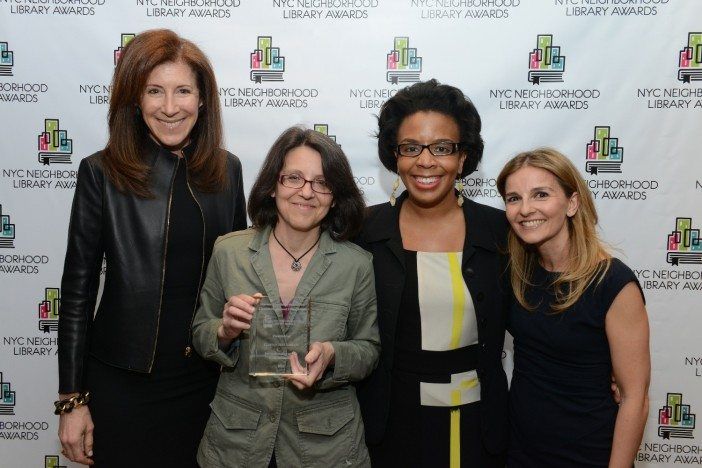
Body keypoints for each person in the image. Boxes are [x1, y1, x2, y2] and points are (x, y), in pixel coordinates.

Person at [56, 29, 247, 467]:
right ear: (134, 100)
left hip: (205, 383)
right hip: (123, 387)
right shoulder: (100, 174)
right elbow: (77, 295)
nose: (169, 106)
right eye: (154, 91)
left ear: (202, 100)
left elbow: (241, 274)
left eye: (183, 91)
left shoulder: (227, 171)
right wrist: (71, 400)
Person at [192, 126, 380, 467]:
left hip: (326, 448)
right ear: (272, 186)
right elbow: (201, 331)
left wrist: (332, 354)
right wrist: (225, 331)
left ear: (335, 196)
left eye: (322, 183)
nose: (306, 192)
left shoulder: (356, 264)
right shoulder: (229, 251)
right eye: (293, 178)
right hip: (236, 442)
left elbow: (369, 350)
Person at [355, 79, 509, 467]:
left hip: (477, 429)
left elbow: (544, 316)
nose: (426, 161)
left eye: (442, 148)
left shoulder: (502, 233)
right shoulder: (363, 231)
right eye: (411, 148)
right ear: (395, 156)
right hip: (388, 428)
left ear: (463, 157)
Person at [496, 148, 650, 467]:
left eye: (541, 194)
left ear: (572, 203)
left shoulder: (613, 283)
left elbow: (634, 398)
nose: (525, 209)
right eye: (513, 198)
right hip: (520, 452)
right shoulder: (516, 272)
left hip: (588, 455)